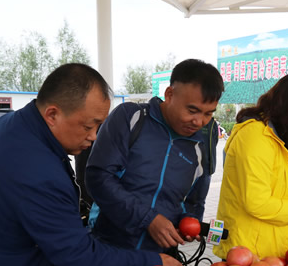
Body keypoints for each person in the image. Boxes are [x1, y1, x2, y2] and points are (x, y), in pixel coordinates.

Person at [0, 63, 192, 266]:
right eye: (88, 126)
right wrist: (151, 261)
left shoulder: (8, 126)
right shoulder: (39, 170)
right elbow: (78, 255)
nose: (94, 136)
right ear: (52, 115)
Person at [85, 59, 223, 255]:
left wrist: (188, 221)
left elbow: (193, 202)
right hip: (110, 250)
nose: (199, 121)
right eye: (192, 110)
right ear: (169, 94)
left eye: (208, 114)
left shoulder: (198, 147)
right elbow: (99, 177)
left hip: (160, 259)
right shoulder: (131, 118)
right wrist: (147, 219)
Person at [214, 71, 288, 259]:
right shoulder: (256, 136)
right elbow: (257, 202)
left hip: (269, 249)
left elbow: (282, 194)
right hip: (246, 253)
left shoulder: (280, 138)